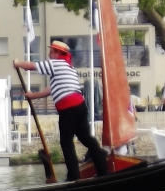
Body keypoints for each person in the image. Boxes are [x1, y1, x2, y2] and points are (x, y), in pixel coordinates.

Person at [15, 40, 108, 181]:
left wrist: (17, 63)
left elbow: (31, 66)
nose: (49, 54)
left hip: (68, 108)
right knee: (86, 138)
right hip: (80, 106)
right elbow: (51, 90)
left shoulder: (56, 64)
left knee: (66, 142)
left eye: (51, 51)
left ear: (58, 53)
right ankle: (103, 169)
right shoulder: (69, 68)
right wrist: (32, 96)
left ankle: (73, 176)